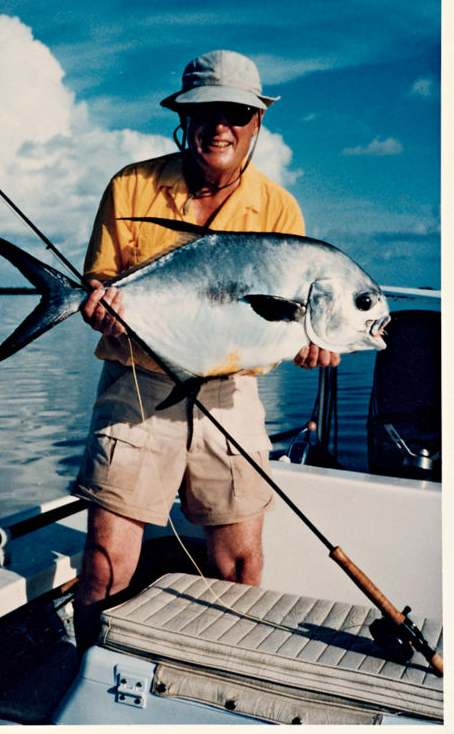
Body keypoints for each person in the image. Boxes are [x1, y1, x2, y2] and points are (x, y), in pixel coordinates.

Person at [72, 50, 340, 654]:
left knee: (241, 568)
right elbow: (102, 282)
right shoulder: (131, 185)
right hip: (136, 383)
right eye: (205, 111)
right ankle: (84, 672)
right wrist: (98, 303)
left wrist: (308, 342)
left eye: (237, 113)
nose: (221, 126)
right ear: (183, 118)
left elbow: (280, 323)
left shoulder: (279, 209)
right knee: (104, 566)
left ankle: (219, 696)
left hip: (230, 392)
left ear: (257, 123)